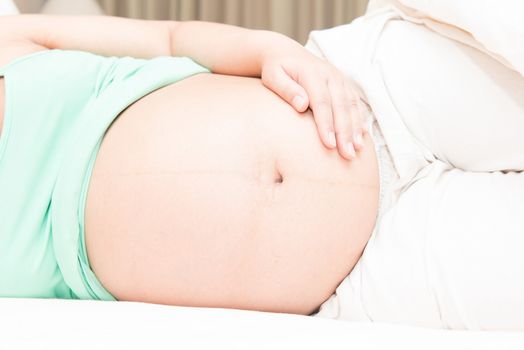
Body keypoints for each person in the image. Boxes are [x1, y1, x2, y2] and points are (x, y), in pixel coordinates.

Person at [0, 14, 379, 315]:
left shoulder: (7, 35)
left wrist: (271, 49)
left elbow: (170, 38)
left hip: (358, 101)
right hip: (370, 286)